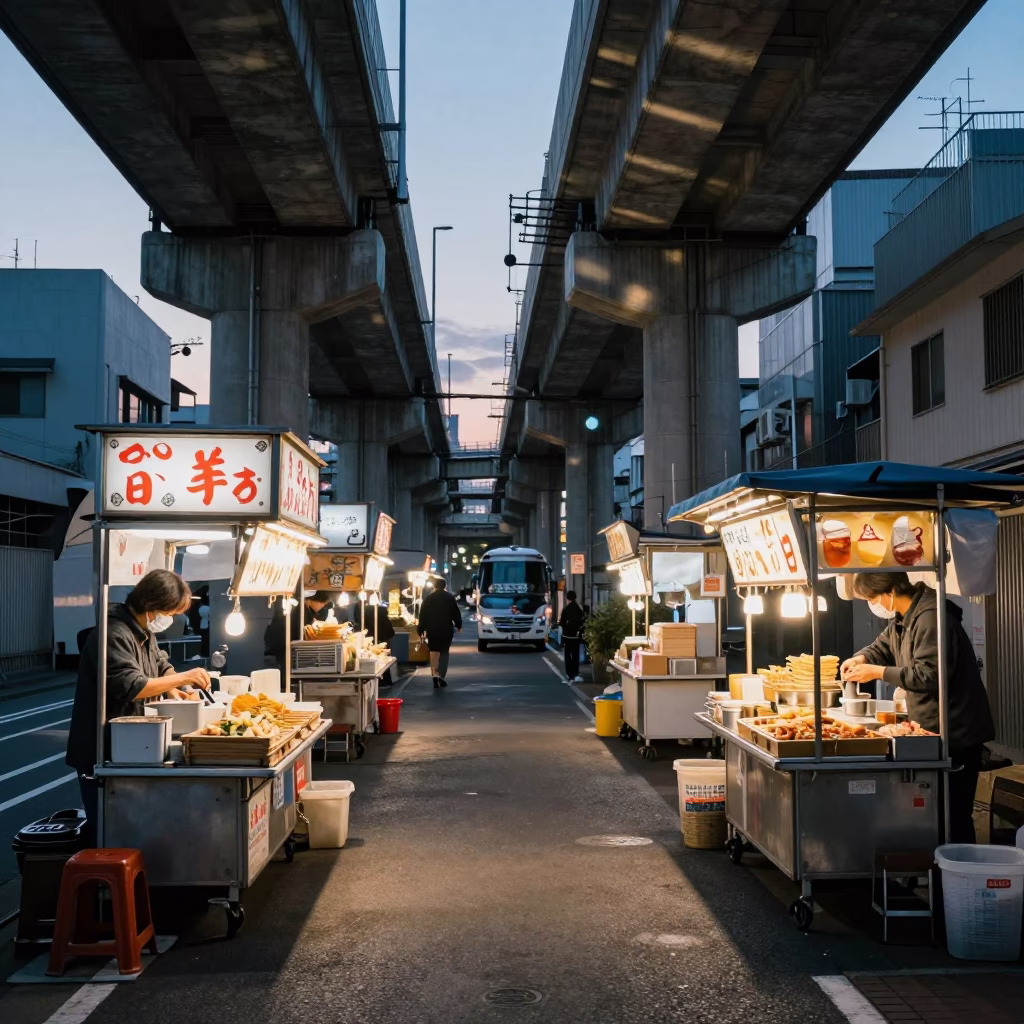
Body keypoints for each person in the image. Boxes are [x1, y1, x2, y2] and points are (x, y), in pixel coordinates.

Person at [841, 572, 994, 844]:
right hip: (930, 729)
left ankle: (955, 875)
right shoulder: (904, 619)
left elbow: (928, 675)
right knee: (932, 813)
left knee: (953, 815)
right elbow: (882, 646)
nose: (872, 604)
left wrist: (876, 672)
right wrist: (861, 657)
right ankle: (932, 874)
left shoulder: (931, 619)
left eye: (872, 598)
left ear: (888, 592)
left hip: (955, 732)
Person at [65, 569, 212, 845]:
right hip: (103, 750)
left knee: (135, 828)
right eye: (169, 612)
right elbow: (132, 686)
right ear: (151, 606)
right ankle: (105, 884)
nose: (170, 619)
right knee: (109, 833)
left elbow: (160, 665)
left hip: (132, 746)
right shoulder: (113, 634)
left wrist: (178, 689)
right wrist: (186, 676)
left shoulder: (143, 630)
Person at [264, 590, 332, 667]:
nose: (322, 606)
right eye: (322, 603)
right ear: (310, 600)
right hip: (283, 650)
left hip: (282, 650)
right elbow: (300, 635)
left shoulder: (305, 611)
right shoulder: (302, 613)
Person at [417, 578, 462, 688]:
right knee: (444, 652)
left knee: (433, 652)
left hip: (432, 630)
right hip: (446, 629)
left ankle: (434, 675)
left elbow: (422, 614)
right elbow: (455, 612)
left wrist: (420, 629)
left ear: (434, 586)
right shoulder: (450, 598)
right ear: (445, 586)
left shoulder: (429, 598)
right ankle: (441, 676)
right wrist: (459, 625)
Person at [559, 590, 585, 682]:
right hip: (576, 636)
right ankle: (576, 673)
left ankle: (570, 675)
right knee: (575, 655)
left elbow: (561, 623)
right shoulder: (579, 609)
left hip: (567, 636)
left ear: (567, 598)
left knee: (567, 655)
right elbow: (583, 621)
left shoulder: (566, 610)